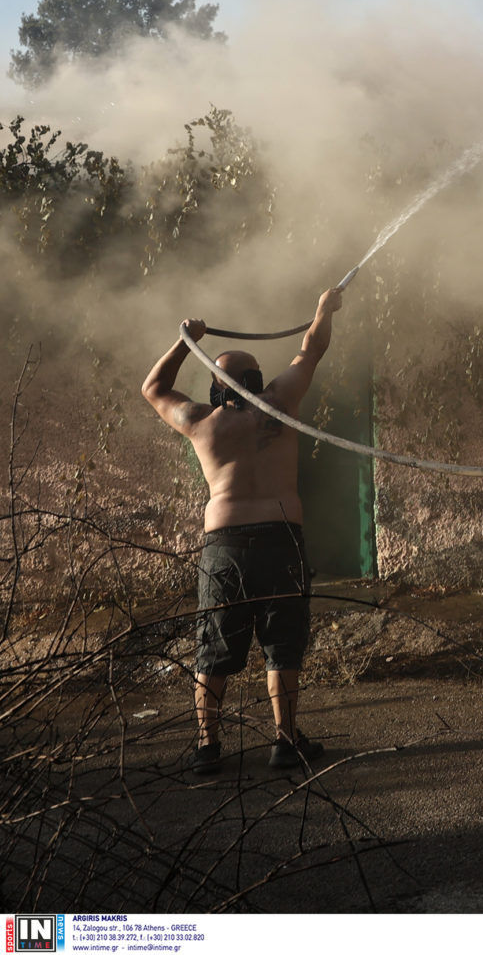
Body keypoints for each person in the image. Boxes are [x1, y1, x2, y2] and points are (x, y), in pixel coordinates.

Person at [141, 287, 345, 776]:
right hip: (279, 537)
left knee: (214, 645)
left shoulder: (200, 422)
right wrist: (323, 309)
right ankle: (284, 741)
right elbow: (311, 349)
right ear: (256, 380)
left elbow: (153, 388)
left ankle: (207, 747)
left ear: (215, 386)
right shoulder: (278, 403)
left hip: (224, 546)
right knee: (283, 642)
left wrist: (184, 341)